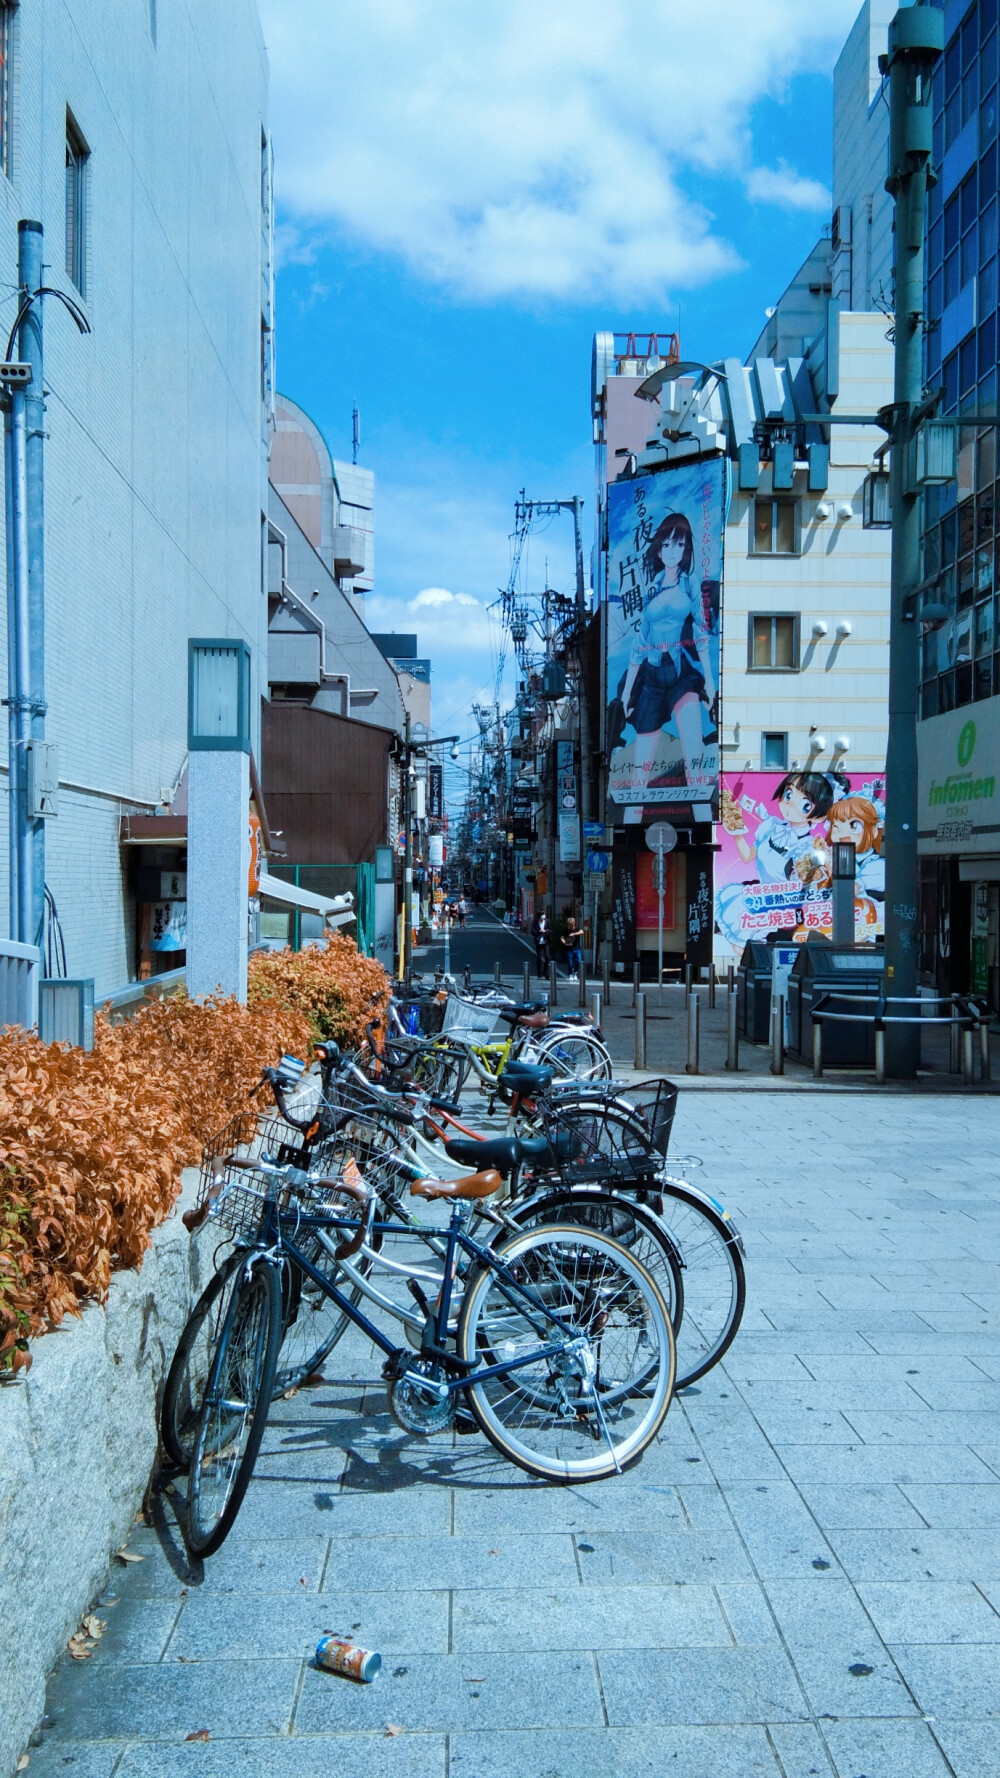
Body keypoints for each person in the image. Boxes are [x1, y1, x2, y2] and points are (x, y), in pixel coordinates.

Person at [609, 511, 718, 795]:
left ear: (687, 548)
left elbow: (701, 633)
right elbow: (639, 645)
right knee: (639, 775)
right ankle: (632, 822)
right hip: (653, 678)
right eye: (667, 544)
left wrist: (710, 682)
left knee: (695, 759)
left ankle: (702, 817)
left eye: (680, 544)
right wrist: (624, 698)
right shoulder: (651, 587)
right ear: (658, 548)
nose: (673, 551)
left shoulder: (689, 583)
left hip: (683, 675)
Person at [560, 913, 584, 982]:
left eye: (572, 924)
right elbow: (562, 937)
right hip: (568, 949)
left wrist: (574, 933)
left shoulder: (577, 928)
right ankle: (570, 974)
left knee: (579, 961)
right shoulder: (565, 930)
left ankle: (575, 973)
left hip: (576, 948)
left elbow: (582, 932)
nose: (571, 926)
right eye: (570, 925)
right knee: (570, 962)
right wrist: (564, 942)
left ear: (574, 923)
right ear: (568, 924)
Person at [532, 909, 550, 977]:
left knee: (547, 957)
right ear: (539, 916)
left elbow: (550, 930)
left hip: (546, 941)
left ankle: (545, 972)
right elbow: (533, 932)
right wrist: (540, 931)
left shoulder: (547, 921)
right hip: (538, 941)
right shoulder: (535, 922)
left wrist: (546, 931)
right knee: (539, 957)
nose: (544, 916)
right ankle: (539, 973)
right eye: (543, 914)